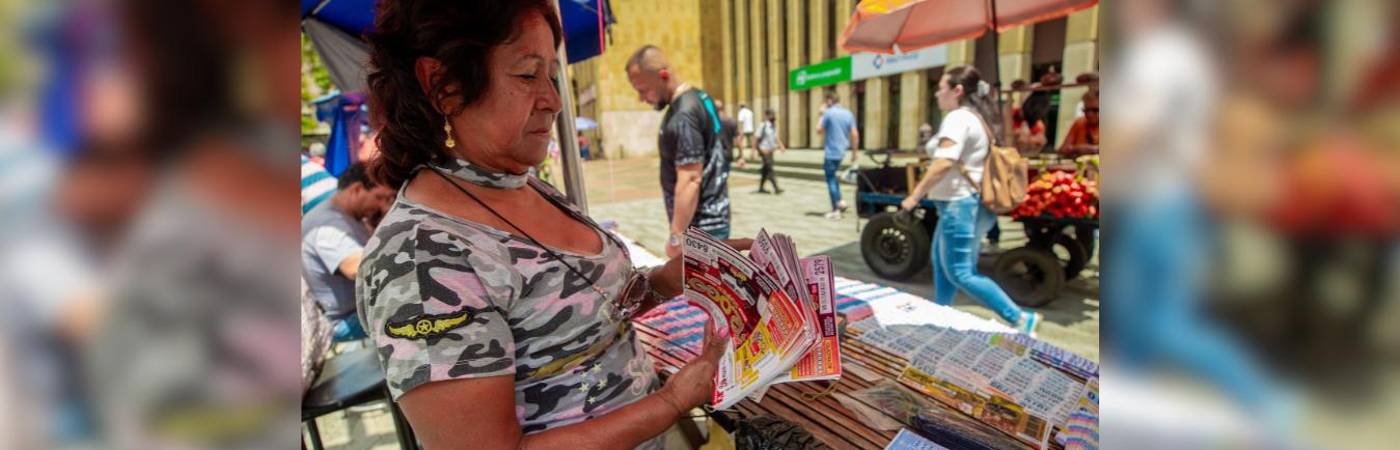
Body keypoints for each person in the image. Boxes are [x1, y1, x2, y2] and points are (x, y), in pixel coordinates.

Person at [359, 3, 746, 448]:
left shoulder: (521, 184)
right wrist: (674, 400)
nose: (554, 101)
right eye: (528, 76)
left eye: (552, 77)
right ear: (443, 85)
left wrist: (665, 280)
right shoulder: (420, 260)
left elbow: (583, 313)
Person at [899, 65, 1043, 335]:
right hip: (960, 204)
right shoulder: (974, 117)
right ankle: (941, 315)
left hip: (961, 204)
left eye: (941, 87)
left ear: (957, 90)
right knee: (941, 264)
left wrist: (914, 196)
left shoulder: (958, 118)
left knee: (960, 272)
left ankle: (1020, 318)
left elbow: (944, 161)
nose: (936, 93)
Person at [626, 44, 732, 256]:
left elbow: (691, 178)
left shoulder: (683, 114)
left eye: (643, 90)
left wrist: (676, 236)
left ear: (663, 75)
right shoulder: (701, 97)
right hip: (713, 221)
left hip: (701, 229)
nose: (642, 98)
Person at [301, 162, 394, 341]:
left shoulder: (345, 215)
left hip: (359, 312)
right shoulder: (328, 225)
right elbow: (358, 268)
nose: (383, 206)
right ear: (357, 189)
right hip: (349, 321)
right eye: (380, 197)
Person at [817, 93, 858, 219]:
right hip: (842, 151)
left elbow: (819, 130)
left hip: (831, 152)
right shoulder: (848, 113)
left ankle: (836, 210)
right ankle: (840, 202)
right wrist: (854, 153)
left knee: (830, 179)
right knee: (833, 177)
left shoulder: (828, 113)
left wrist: (821, 114)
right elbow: (855, 134)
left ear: (829, 101)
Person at [1059, 89, 1099, 157]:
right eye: (1086, 110)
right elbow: (1063, 150)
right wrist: (1076, 149)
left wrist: (1093, 150)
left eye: (1095, 110)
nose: (1089, 114)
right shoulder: (1079, 122)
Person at [754, 108, 785, 194]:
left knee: (765, 170)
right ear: (767, 116)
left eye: (774, 114)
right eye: (771, 114)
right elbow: (756, 139)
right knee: (770, 169)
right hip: (764, 151)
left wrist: (781, 145)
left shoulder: (774, 126)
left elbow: (776, 138)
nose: (773, 116)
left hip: (771, 151)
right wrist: (754, 151)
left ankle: (761, 188)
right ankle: (776, 188)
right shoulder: (762, 125)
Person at [714, 99, 740, 163]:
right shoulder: (731, 121)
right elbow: (738, 139)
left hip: (714, 156)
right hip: (727, 154)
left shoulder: (709, 121)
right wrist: (741, 155)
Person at [735, 102, 754, 167]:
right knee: (752, 142)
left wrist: (740, 130)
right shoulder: (750, 112)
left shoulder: (741, 112)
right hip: (750, 128)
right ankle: (753, 152)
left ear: (740, 107)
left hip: (743, 129)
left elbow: (741, 122)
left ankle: (741, 154)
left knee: (739, 142)